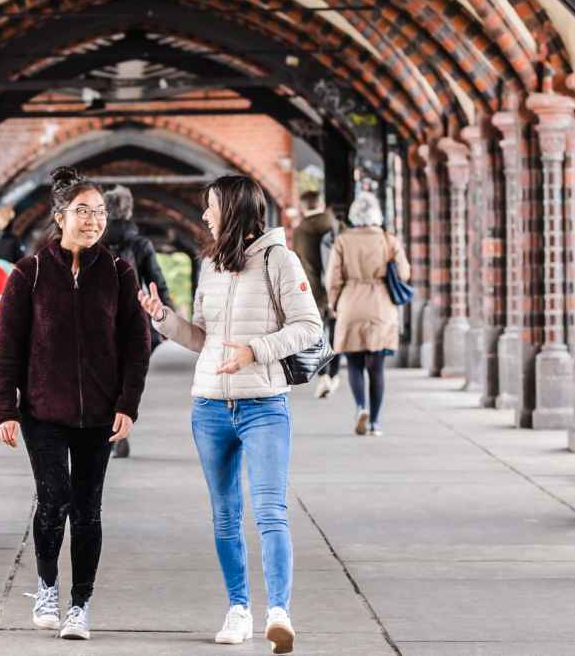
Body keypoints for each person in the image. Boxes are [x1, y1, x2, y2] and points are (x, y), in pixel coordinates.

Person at [139, 175, 322, 654]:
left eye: (211, 207)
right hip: (209, 406)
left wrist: (254, 351)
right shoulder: (211, 265)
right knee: (224, 516)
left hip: (263, 404)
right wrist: (163, 320)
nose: (204, 216)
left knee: (270, 511)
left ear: (235, 209)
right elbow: (203, 339)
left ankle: (278, 611)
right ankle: (238, 608)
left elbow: (309, 327)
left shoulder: (280, 260)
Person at [0, 167, 152, 640]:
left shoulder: (120, 273)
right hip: (42, 411)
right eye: (83, 211)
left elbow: (136, 345)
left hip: (100, 414)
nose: (93, 220)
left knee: (88, 509)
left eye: (100, 212)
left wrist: (128, 403)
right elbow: (7, 346)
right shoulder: (29, 273)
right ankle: (46, 585)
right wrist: (5, 408)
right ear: (60, 217)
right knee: (52, 501)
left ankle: (80, 605)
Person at [326, 192, 411, 437]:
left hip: (351, 302)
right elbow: (404, 273)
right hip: (381, 305)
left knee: (354, 362)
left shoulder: (343, 241)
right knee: (376, 366)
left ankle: (360, 407)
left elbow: (333, 277)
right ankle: (374, 422)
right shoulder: (388, 239)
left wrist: (334, 303)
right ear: (377, 214)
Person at [100, 184, 172, 459]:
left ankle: (106, 432)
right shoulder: (140, 243)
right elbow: (156, 281)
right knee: (127, 379)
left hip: (101, 320)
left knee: (103, 380)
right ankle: (122, 430)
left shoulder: (96, 241)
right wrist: (166, 318)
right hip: (134, 320)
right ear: (129, 211)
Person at [291, 190, 342, 400]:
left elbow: (297, 262)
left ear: (303, 206)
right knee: (337, 333)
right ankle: (335, 374)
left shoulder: (299, 231)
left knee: (316, 333)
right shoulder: (335, 225)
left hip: (311, 290)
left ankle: (322, 376)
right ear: (321, 203)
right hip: (337, 288)